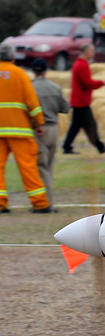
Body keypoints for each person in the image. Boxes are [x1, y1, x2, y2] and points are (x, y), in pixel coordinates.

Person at [0, 44, 49, 213]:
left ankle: (1, 204)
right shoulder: (20, 74)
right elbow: (32, 103)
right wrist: (39, 123)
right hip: (19, 130)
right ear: (13, 58)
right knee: (27, 167)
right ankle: (40, 204)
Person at [30, 58, 69, 209]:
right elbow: (65, 108)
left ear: (33, 71)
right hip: (54, 129)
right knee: (49, 166)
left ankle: (45, 203)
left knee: (41, 167)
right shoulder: (55, 87)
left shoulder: (30, 87)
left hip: (38, 130)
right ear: (46, 70)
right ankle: (47, 200)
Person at [62, 44, 105, 155]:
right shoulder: (82, 65)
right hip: (81, 102)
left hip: (79, 101)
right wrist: (103, 83)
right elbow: (88, 83)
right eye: (92, 51)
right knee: (90, 125)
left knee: (76, 126)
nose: (93, 54)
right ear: (86, 52)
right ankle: (100, 147)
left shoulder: (79, 64)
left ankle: (67, 147)